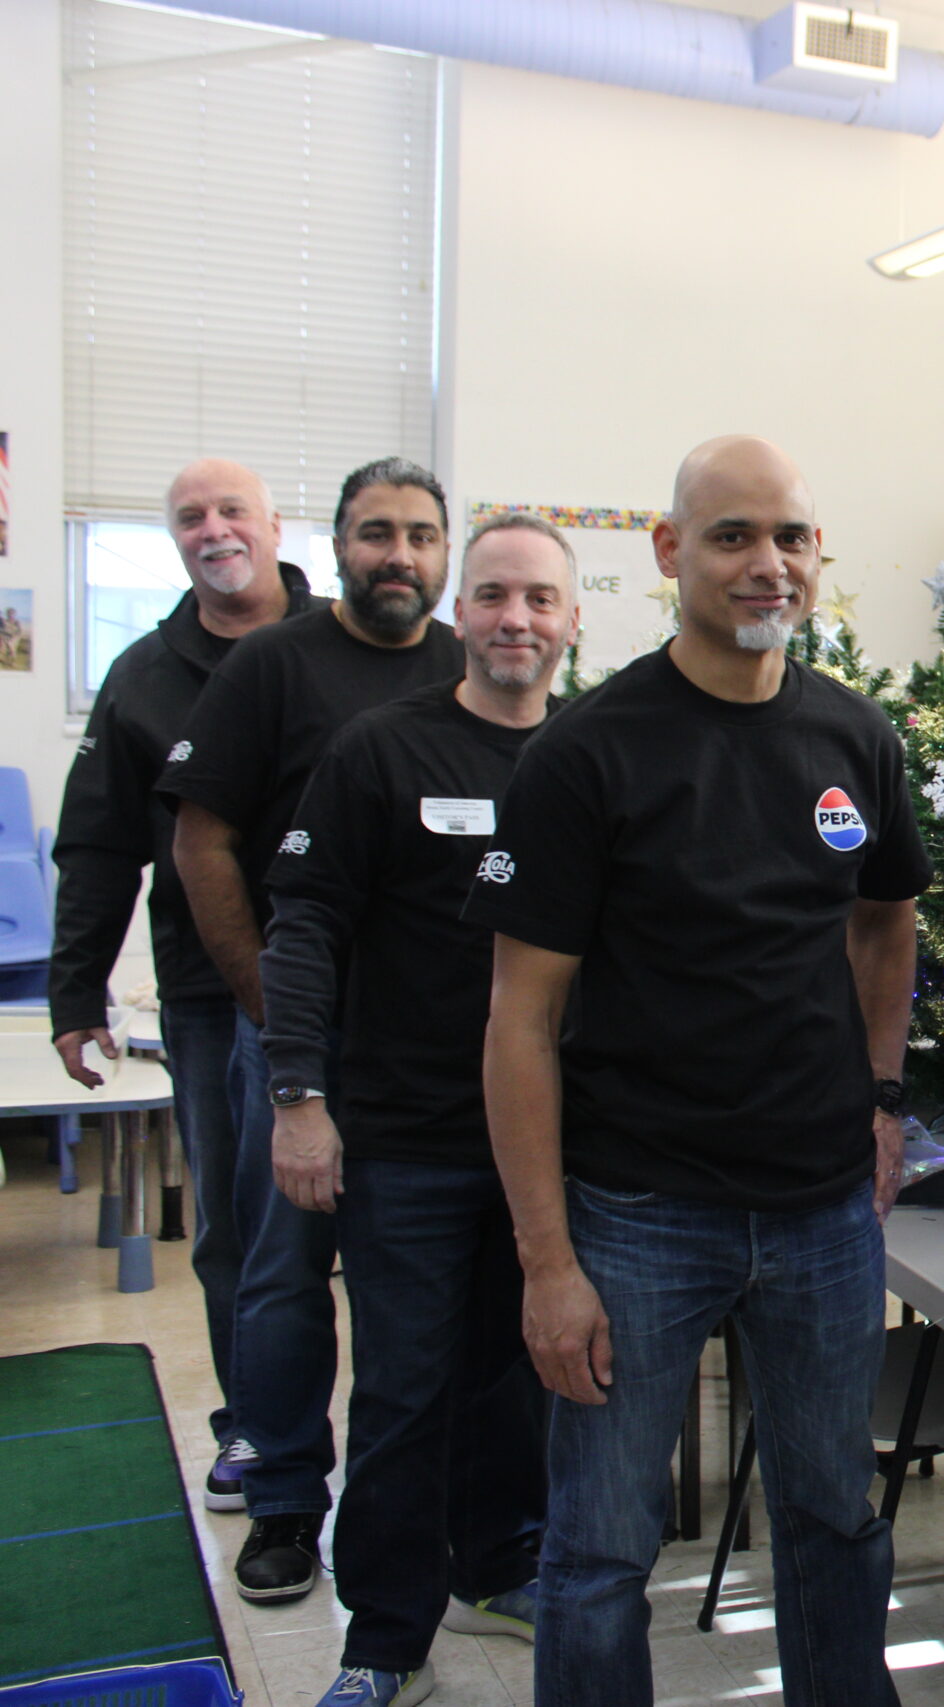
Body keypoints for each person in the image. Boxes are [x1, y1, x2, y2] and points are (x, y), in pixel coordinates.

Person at [466, 436, 932, 1706]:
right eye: (731, 536)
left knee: (835, 1514)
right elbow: (519, 1018)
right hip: (636, 1217)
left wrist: (883, 1097)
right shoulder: (587, 753)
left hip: (823, 1212)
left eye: (788, 536)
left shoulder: (854, 737)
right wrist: (548, 1262)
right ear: (671, 552)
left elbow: (884, 920)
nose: (764, 563)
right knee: (604, 1547)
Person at [258, 512, 577, 1707]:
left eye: (540, 600)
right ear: (461, 613)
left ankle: (501, 1564)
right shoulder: (378, 752)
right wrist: (299, 1097)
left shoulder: (586, 760)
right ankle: (383, 1639)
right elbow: (304, 931)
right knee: (403, 1391)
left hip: (546, 1150)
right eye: (494, 596)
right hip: (406, 1143)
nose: (516, 621)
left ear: (572, 621)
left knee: (519, 1376)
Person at [161, 457, 466, 1603]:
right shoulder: (269, 667)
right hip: (299, 1041)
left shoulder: (468, 665)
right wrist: (267, 1010)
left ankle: (424, 1514)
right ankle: (286, 1500)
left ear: (447, 552)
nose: (400, 555)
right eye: (377, 532)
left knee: (414, 1286)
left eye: (422, 536)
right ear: (335, 544)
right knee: (284, 1277)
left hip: (428, 1058)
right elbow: (201, 842)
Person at [49, 458, 313, 1511]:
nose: (214, 529)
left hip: (373, 992)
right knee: (237, 1232)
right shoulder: (143, 678)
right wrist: (77, 994)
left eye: (231, 510)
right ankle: (254, 1429)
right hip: (211, 994)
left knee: (401, 1226)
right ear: (175, 540)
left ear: (273, 524)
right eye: (190, 517)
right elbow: (100, 844)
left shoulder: (346, 643)